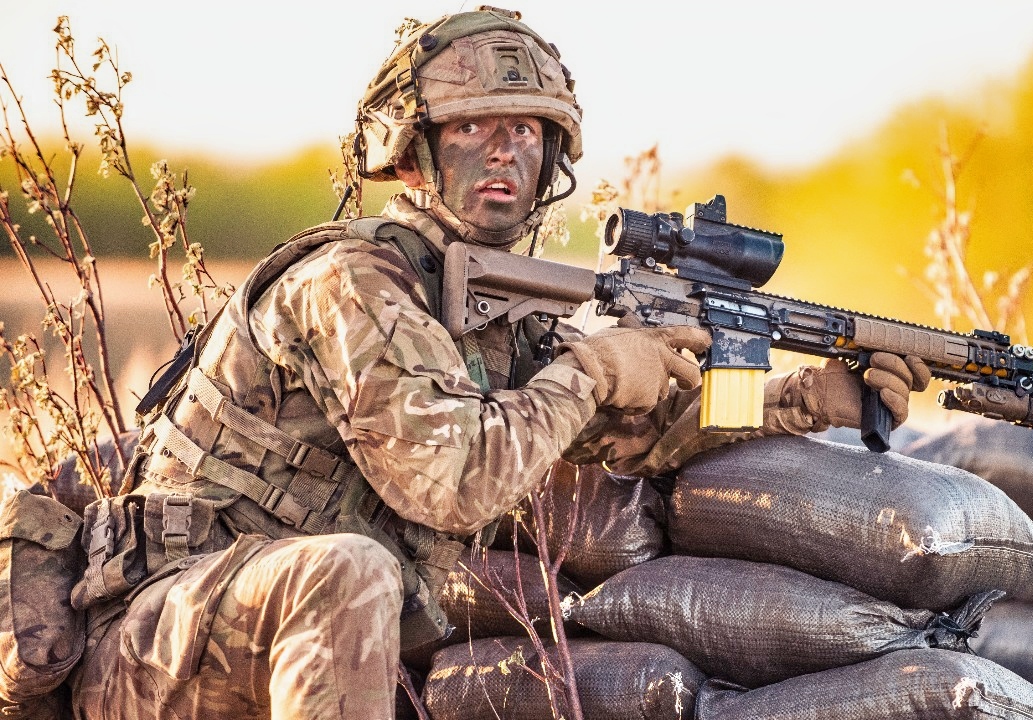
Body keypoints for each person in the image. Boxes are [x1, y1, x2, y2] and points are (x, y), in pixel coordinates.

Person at [68, 7, 930, 719]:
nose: (503, 150)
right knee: (353, 572)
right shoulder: (351, 282)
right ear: (412, 148)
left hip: (287, 642)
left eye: (526, 130)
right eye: (471, 125)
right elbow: (453, 478)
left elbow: (634, 442)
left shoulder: (493, 313)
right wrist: (591, 368)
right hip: (156, 641)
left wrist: (805, 399)